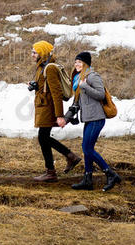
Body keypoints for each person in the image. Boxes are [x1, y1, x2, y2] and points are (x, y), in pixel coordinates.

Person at [29, 40, 82, 182]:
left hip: (48, 108)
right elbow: (45, 87)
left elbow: (56, 93)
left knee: (42, 137)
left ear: (42, 53)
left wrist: (60, 115)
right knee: (43, 137)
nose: (32, 54)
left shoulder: (50, 68)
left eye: (34, 52)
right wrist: (35, 86)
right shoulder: (41, 66)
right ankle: (69, 158)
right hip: (42, 106)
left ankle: (52, 171)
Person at [68, 51, 121, 191]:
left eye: (79, 62)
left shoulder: (93, 76)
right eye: (75, 62)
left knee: (87, 148)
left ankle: (110, 174)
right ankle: (87, 179)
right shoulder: (79, 79)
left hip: (97, 118)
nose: (76, 64)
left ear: (86, 63)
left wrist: (85, 86)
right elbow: (79, 101)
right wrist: (69, 116)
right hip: (88, 119)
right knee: (87, 149)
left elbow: (100, 94)